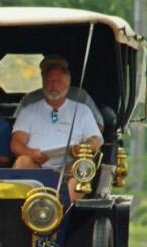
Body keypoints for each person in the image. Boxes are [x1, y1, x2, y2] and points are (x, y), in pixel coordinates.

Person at [11, 56, 102, 201]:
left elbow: (96, 140)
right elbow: (16, 143)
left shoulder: (82, 110)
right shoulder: (29, 110)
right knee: (22, 161)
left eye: (58, 81)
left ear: (67, 84)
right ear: (43, 84)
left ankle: (65, 214)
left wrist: (82, 149)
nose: (53, 85)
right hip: (37, 165)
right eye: (49, 81)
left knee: (83, 167)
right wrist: (31, 153)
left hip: (70, 166)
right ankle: (27, 210)